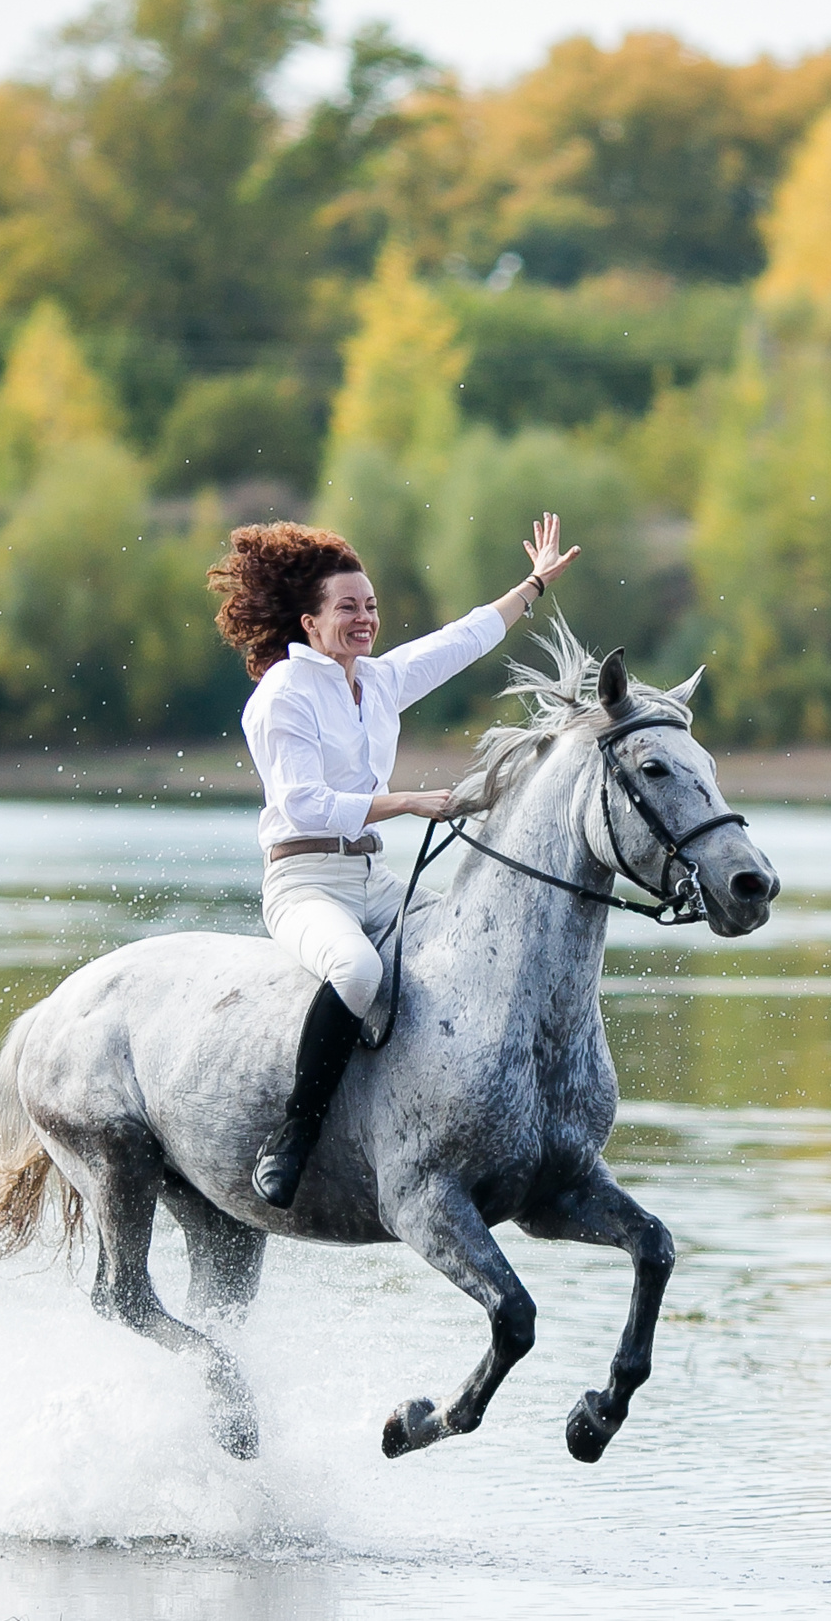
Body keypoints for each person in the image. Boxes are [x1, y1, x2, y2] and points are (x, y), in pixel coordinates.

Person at [207, 514, 582, 1208]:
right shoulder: (282, 694)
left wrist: (532, 585)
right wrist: (405, 802)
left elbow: (462, 639)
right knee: (355, 968)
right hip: (303, 883)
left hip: (370, 880)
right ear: (309, 621)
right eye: (347, 607)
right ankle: (294, 1136)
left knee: (466, 945)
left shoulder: (376, 681)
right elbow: (306, 803)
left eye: (371, 606)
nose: (365, 619)